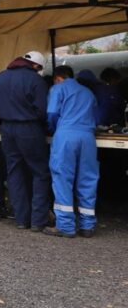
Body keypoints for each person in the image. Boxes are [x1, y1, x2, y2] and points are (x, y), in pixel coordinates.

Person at [0, 51, 51, 232]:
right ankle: (38, 220)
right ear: (36, 66)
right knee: (40, 172)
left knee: (14, 172)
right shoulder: (36, 80)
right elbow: (43, 110)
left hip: (7, 129)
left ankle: (21, 220)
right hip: (29, 129)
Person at [44, 65, 99, 238]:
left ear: (58, 77)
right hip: (88, 137)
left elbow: (52, 113)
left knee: (62, 178)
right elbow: (97, 117)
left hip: (66, 135)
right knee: (88, 179)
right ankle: (87, 225)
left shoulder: (58, 88)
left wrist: (53, 129)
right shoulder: (88, 92)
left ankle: (66, 226)